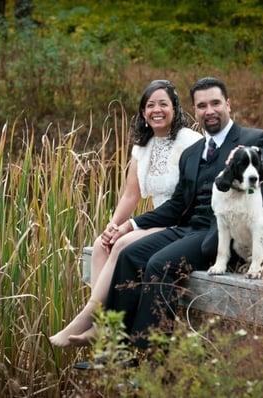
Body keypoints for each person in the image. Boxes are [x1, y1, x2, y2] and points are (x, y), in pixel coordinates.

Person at [103, 77, 263, 349]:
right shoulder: (193, 153)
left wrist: (253, 157)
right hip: (190, 228)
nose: (210, 111)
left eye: (216, 103)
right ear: (194, 111)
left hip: (224, 235)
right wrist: (132, 224)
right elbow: (176, 205)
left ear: (228, 104)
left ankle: (147, 357)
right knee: (129, 255)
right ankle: (114, 350)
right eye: (202, 105)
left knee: (160, 264)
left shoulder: (254, 139)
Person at [49, 80, 201, 347]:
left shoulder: (190, 141)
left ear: (174, 108)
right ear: (143, 113)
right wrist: (112, 225)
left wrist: (128, 228)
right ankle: (102, 324)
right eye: (150, 105)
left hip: (180, 221)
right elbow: (131, 195)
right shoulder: (142, 147)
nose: (157, 110)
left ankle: (90, 319)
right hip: (155, 220)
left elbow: (186, 200)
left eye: (163, 104)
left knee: (123, 244)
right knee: (102, 244)